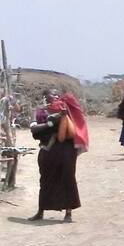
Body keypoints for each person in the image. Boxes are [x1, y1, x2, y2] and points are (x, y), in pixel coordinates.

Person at [28, 89, 89, 222]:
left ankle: (68, 213)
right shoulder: (40, 111)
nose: (56, 96)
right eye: (52, 94)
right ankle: (40, 211)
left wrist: (63, 116)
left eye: (57, 94)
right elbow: (33, 129)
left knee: (67, 178)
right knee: (45, 179)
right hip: (48, 149)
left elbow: (77, 127)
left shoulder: (67, 109)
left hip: (66, 150)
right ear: (45, 97)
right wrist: (51, 122)